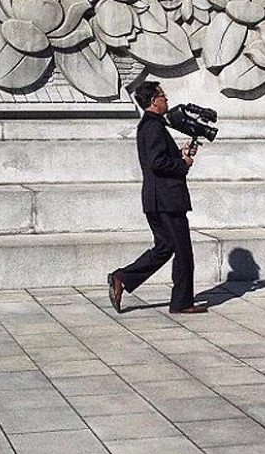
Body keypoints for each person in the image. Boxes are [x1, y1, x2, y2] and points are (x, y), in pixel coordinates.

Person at [107, 81, 207, 315]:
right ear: (153, 100)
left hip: (157, 198)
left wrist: (179, 155)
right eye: (163, 96)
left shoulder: (150, 126)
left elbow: (158, 159)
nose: (166, 100)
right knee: (182, 251)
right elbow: (157, 163)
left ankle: (122, 278)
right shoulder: (153, 127)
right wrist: (182, 163)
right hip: (166, 199)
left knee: (165, 247)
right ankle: (181, 302)